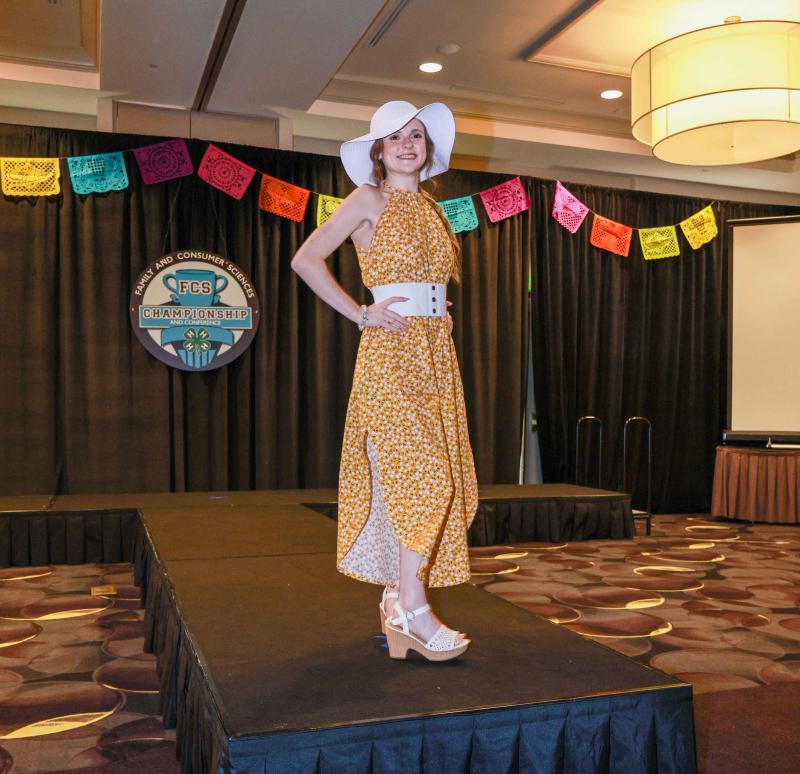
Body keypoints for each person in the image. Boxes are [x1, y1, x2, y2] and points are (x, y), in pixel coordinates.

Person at [291, 101, 478, 661]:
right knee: (428, 478)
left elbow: (429, 279)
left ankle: (397, 599)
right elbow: (306, 260)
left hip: (434, 354)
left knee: (426, 477)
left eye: (416, 135)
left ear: (428, 148)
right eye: (395, 137)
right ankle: (413, 611)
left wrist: (438, 309)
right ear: (378, 150)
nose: (406, 143)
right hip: (392, 354)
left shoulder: (434, 211)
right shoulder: (367, 199)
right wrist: (360, 312)